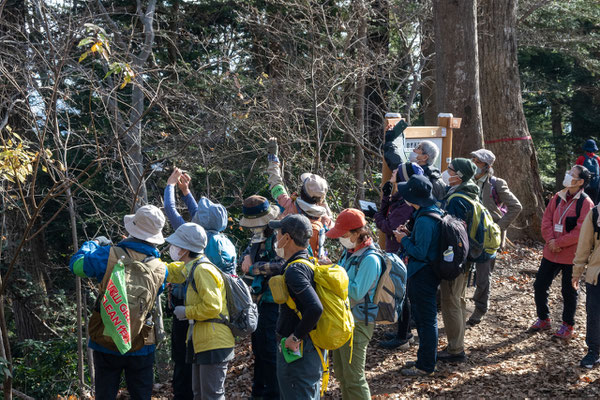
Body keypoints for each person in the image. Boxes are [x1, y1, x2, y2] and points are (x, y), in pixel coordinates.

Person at [69, 205, 168, 400]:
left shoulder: (109, 254)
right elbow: (157, 293)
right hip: (142, 340)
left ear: (132, 229)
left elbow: (76, 266)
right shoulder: (160, 268)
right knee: (141, 394)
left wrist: (94, 243)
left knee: (105, 393)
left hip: (106, 336)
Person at [163, 168, 237, 399]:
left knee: (191, 376)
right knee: (203, 387)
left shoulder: (193, 246)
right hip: (219, 321)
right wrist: (186, 191)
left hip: (197, 317)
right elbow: (198, 214)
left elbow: (170, 210)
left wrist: (170, 186)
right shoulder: (221, 241)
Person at [530, 165, 593, 340]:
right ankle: (543, 319)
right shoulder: (558, 197)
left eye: (572, 174)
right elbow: (546, 220)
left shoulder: (586, 203)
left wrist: (558, 243)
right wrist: (550, 240)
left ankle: (568, 325)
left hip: (571, 256)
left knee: (569, 291)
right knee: (540, 285)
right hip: (551, 253)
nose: (568, 175)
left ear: (580, 182)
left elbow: (581, 231)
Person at [325, 209, 382, 399]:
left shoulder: (370, 259)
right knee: (342, 374)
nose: (341, 237)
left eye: (344, 234)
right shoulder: (349, 253)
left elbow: (357, 292)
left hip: (358, 323)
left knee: (354, 378)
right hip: (345, 319)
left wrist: (331, 277)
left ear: (358, 233)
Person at [367, 161, 422, 350]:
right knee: (402, 293)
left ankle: (404, 336)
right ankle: (403, 332)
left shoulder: (405, 204)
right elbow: (385, 218)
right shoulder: (399, 197)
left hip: (401, 253)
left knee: (403, 295)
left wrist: (376, 217)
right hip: (395, 251)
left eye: (397, 171)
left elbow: (388, 227)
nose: (393, 172)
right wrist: (385, 197)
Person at [268, 214, 323, 399]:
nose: (276, 238)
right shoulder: (309, 262)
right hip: (309, 347)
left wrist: (295, 337)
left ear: (287, 238)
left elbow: (315, 308)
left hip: (299, 351)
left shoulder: (295, 270)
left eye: (278, 233)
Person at [393, 175, 442, 376]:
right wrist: (409, 235)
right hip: (427, 272)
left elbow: (420, 252)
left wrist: (403, 239)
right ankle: (424, 359)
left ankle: (426, 366)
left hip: (423, 274)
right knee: (423, 318)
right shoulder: (430, 212)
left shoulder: (424, 220)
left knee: (426, 319)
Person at [468, 149, 522, 325]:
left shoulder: (496, 184)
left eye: (478, 161)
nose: (474, 162)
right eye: (473, 159)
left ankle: (480, 308)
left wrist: (498, 228)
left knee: (484, 275)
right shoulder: (468, 180)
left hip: (489, 237)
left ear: (486, 165)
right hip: (468, 234)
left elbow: (516, 206)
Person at [239, 195, 284, 400]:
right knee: (258, 351)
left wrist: (255, 267)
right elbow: (248, 254)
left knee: (270, 352)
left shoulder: (278, 235)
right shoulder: (257, 236)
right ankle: (259, 392)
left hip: (273, 302)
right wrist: (246, 257)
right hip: (257, 302)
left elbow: (283, 265)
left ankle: (273, 394)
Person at [438, 158, 479, 363]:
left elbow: (451, 233)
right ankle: (457, 344)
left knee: (451, 302)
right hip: (467, 258)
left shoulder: (456, 200)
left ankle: (455, 350)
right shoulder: (471, 193)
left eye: (450, 170)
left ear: (460, 175)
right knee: (459, 301)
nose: (446, 172)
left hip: (456, 259)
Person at [266, 137, 333, 260]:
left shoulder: (288, 204)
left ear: (302, 191)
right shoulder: (325, 217)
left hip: (286, 261)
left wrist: (273, 159)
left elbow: (276, 183)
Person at [572, 202, 600, 368]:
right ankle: (594, 351)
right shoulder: (596, 213)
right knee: (594, 314)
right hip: (597, 275)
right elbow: (584, 244)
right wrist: (577, 271)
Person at [576, 139, 600, 204]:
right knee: (595, 203)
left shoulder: (581, 158)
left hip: (584, 185)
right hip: (596, 185)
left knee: (584, 202)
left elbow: (576, 172)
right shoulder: (598, 158)